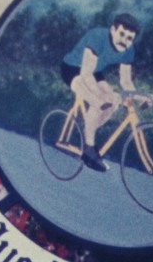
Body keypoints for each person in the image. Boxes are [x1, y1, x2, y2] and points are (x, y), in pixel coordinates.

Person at [58, 12, 141, 161]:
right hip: (73, 69)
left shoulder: (129, 50)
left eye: (129, 38)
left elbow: (126, 82)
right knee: (98, 102)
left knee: (113, 104)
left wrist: (140, 97)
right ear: (113, 30)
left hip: (95, 71)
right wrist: (100, 97)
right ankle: (89, 150)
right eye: (122, 34)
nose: (124, 41)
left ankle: (87, 131)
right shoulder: (97, 37)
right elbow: (85, 74)